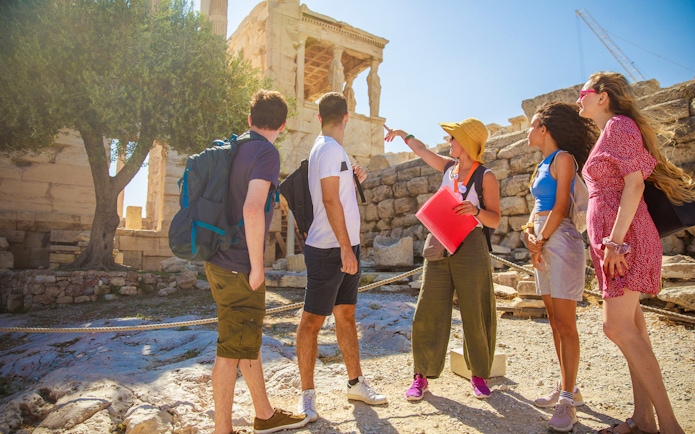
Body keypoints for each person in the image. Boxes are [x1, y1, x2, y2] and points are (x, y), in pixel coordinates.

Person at [578, 71, 693, 434]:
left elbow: (634, 183)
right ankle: (644, 420)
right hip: (615, 242)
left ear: (603, 96)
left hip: (624, 243)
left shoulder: (619, 126)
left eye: (583, 92)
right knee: (634, 330)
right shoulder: (608, 131)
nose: (578, 98)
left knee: (616, 326)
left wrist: (614, 242)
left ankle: (671, 426)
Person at [205, 89, 309, 434]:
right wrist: (258, 266)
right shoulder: (266, 153)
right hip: (239, 265)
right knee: (229, 350)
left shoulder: (237, 148)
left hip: (217, 259)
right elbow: (252, 209)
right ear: (282, 125)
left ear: (250, 120)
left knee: (245, 339)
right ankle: (223, 429)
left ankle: (264, 414)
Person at [384, 118, 501, 400]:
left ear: (467, 143)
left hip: (471, 245)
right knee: (428, 308)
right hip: (439, 242)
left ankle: (480, 375)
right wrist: (404, 134)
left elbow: (495, 219)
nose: (448, 142)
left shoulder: (486, 176)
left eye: (453, 138)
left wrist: (475, 210)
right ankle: (421, 375)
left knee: (475, 310)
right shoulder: (448, 168)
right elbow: (423, 150)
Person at [296, 92, 387, 423]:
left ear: (319, 117)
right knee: (311, 321)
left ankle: (355, 382)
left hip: (344, 246)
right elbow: (330, 202)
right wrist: (346, 248)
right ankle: (307, 396)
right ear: (346, 117)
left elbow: (336, 195)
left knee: (346, 314)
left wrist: (352, 179)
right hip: (331, 248)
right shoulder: (330, 149)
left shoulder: (330, 150)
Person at [524, 102, 599, 432]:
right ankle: (568, 386)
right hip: (542, 239)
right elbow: (536, 209)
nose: (527, 131)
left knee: (567, 322)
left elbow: (560, 206)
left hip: (561, 240)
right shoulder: (540, 165)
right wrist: (530, 234)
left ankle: (568, 401)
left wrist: (539, 237)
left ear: (543, 128)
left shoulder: (564, 159)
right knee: (554, 319)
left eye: (531, 125)